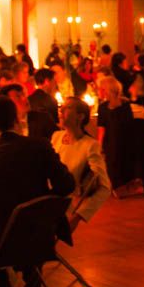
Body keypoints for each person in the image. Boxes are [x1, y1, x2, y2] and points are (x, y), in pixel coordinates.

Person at [0, 96, 74, 287]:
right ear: (17, 119)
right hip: (41, 234)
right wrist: (44, 202)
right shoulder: (39, 146)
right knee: (28, 222)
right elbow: (67, 185)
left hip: (0, 239)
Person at [50, 98, 111, 233]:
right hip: (44, 200)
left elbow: (105, 187)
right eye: (62, 107)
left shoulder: (90, 145)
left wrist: (79, 216)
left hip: (62, 205)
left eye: (68, 107)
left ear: (80, 116)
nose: (61, 110)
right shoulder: (56, 137)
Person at [97, 76, 144, 196]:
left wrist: (99, 146)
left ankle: (119, 187)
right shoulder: (124, 105)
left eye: (101, 89)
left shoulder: (107, 107)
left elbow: (102, 130)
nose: (99, 91)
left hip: (115, 144)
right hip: (123, 143)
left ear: (106, 90)